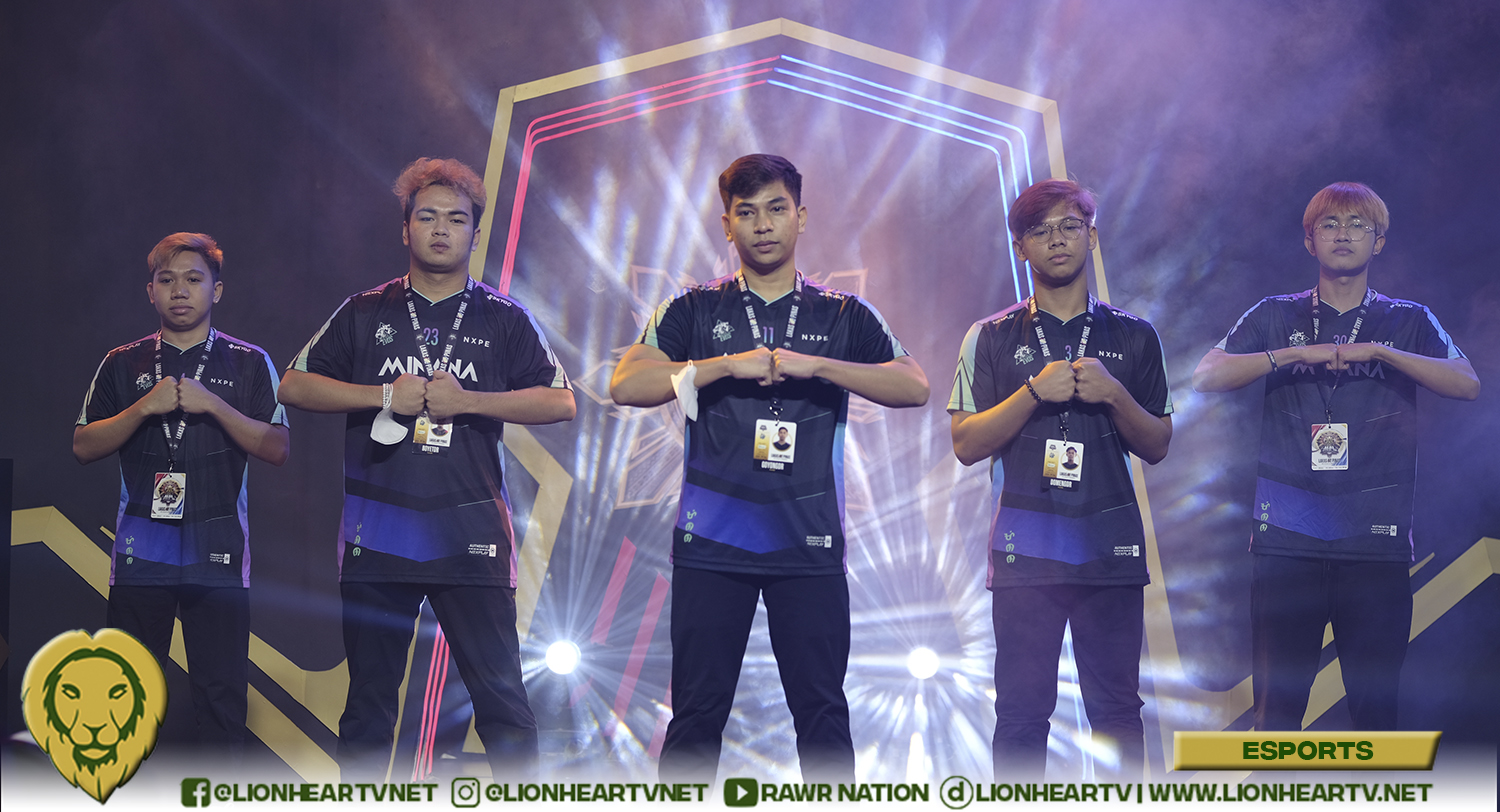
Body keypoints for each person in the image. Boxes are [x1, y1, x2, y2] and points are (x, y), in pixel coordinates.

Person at [610, 154, 929, 783]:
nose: (762, 225)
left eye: (776, 209)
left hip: (808, 543)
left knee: (823, 714)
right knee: (696, 715)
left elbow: (914, 385)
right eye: (746, 212)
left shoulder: (843, 314)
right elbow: (627, 383)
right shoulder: (693, 308)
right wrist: (724, 366)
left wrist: (821, 368)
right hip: (713, 543)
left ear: (801, 217)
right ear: (726, 225)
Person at [279, 157, 575, 780]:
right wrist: (383, 395)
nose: (441, 229)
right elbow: (293, 385)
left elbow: (560, 401)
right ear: (405, 228)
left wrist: (469, 402)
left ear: (475, 233)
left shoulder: (503, 316)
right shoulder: (365, 310)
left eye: (456, 219)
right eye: (428, 216)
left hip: (471, 537)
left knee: (503, 707)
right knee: (368, 710)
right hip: (378, 536)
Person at [1192, 182, 1478, 731]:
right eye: (1330, 224)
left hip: (1374, 544)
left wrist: (1382, 353)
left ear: (1379, 242)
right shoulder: (1275, 313)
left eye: (1358, 225)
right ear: (1309, 241)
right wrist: (1292, 354)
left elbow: (1467, 383)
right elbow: (1207, 376)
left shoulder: (1408, 318)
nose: (1343, 234)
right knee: (1275, 717)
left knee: (1377, 716)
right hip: (1286, 542)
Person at [949, 179, 1172, 781]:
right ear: (1020, 247)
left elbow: (1157, 445)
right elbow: (965, 444)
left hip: (1110, 550)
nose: (1057, 240)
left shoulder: (1135, 334)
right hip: (1025, 551)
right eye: (1040, 230)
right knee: (1022, 715)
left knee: (1118, 712)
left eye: (1070, 226)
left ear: (1091, 237)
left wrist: (1116, 394)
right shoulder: (989, 335)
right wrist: (1032, 392)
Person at [73, 232, 290, 761]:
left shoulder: (249, 361)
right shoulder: (121, 362)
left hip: (218, 554)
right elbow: (82, 445)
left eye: (194, 279)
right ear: (150, 291)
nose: (179, 290)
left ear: (217, 290)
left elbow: (277, 447)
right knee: (128, 699)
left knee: (221, 700)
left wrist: (214, 405)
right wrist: (142, 408)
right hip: (141, 554)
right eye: (166, 279)